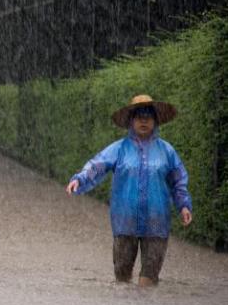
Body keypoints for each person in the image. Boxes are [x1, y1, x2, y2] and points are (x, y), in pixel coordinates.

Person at [66, 95, 192, 287]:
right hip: (125, 221)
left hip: (156, 222)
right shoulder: (118, 149)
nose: (143, 120)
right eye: (138, 116)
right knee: (122, 281)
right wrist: (79, 179)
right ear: (130, 121)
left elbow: (178, 182)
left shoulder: (167, 151)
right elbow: (97, 165)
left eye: (148, 116)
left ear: (155, 120)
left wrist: (184, 206)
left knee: (148, 281)